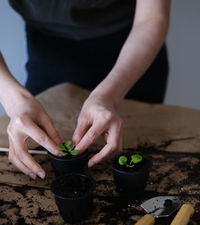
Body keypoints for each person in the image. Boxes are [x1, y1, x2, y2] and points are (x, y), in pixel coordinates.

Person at [0, 0, 171, 180]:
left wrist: (109, 96)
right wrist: (15, 100)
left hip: (133, 51)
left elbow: (152, 17)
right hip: (47, 50)